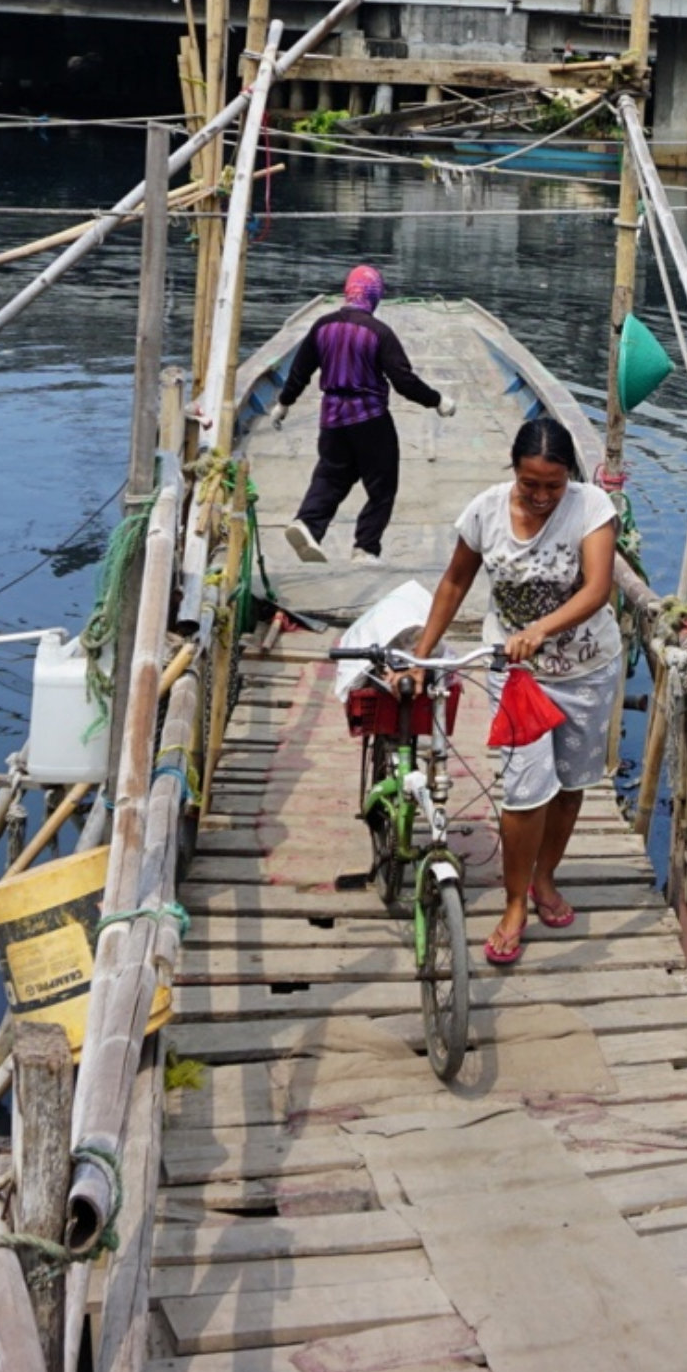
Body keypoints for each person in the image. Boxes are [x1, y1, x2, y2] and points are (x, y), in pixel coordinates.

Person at [403, 417, 619, 966]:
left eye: (554, 485)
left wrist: (541, 629)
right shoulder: (484, 512)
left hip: (587, 670)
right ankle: (516, 901)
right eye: (530, 484)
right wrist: (424, 655)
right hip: (518, 676)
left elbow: (598, 588)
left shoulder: (592, 507)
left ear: (570, 477)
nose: (542, 496)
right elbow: (455, 582)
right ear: (513, 472)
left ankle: (546, 877)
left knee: (569, 787)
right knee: (525, 790)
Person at [277, 265, 448, 563]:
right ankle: (365, 547)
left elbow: (299, 371)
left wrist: (284, 402)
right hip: (370, 419)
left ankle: (308, 524)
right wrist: (437, 400)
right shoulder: (379, 332)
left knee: (331, 475)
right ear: (375, 296)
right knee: (382, 486)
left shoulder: (322, 326)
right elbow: (404, 381)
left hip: (332, 418)